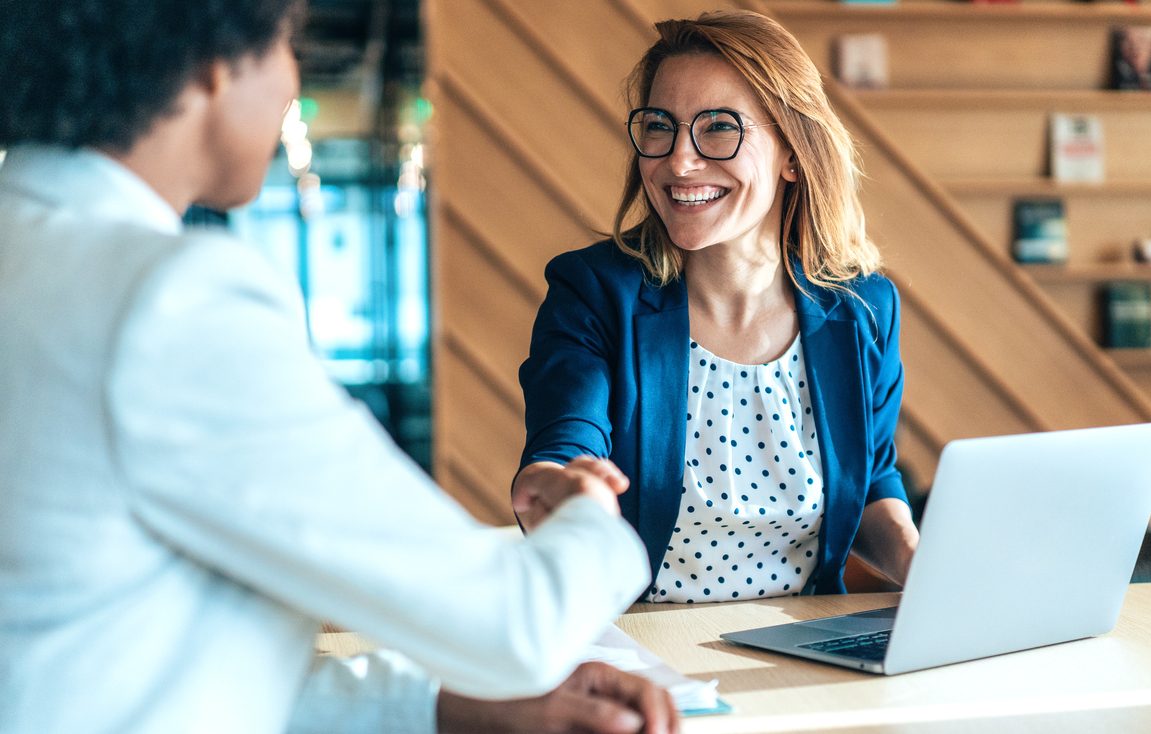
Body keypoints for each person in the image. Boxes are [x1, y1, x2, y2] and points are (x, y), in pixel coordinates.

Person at [0, 2, 677, 733]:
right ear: (214, 65)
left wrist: (442, 708)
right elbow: (518, 629)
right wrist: (592, 516)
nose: (293, 79)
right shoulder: (167, 301)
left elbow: (110, 654)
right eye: (287, 45)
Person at [514, 10, 919, 603]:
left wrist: (920, 562)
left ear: (792, 154)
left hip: (804, 645)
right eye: (660, 126)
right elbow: (563, 446)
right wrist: (558, 488)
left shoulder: (864, 307)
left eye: (720, 128)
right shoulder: (594, 291)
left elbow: (872, 479)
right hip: (642, 648)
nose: (679, 162)